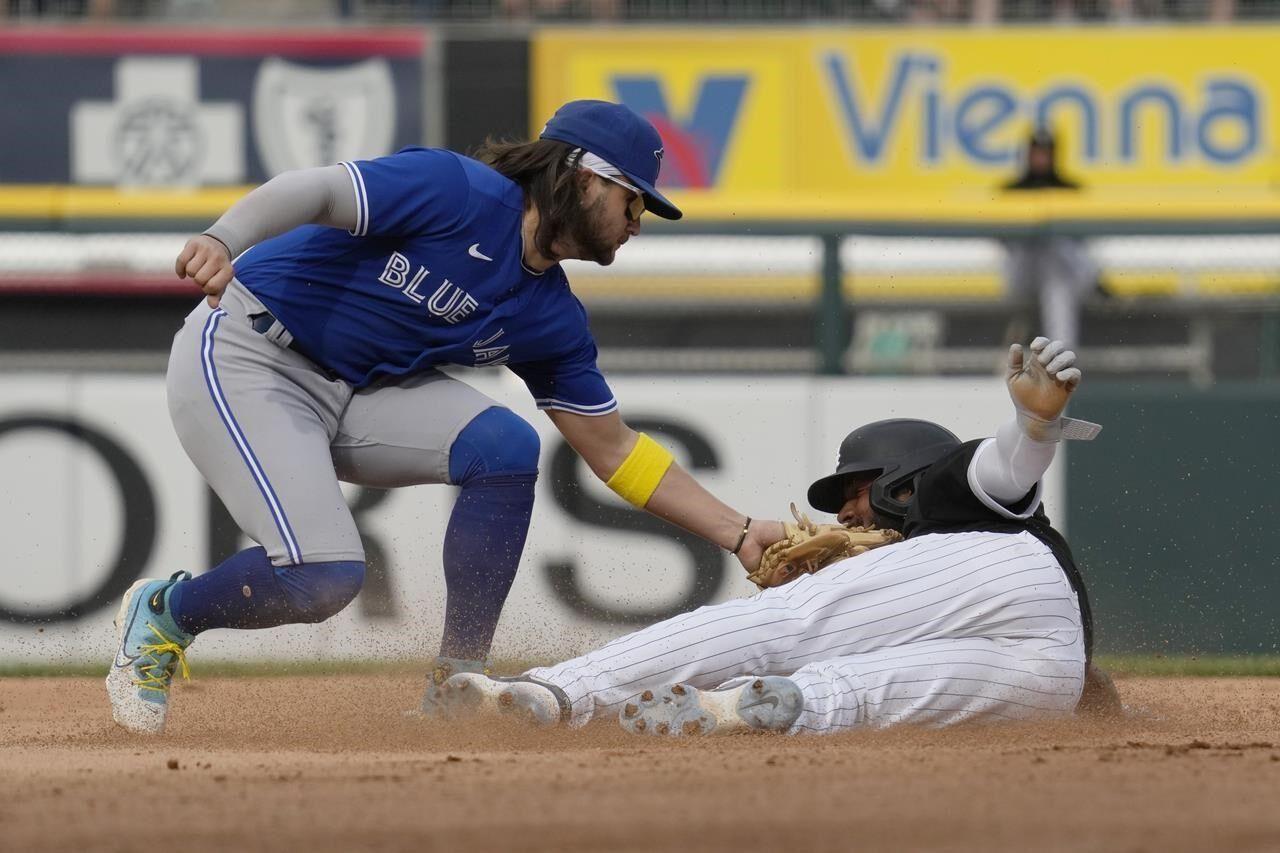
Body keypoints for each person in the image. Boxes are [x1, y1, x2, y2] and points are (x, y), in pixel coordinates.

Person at [105, 99, 786, 734]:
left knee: (506, 446)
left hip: (357, 391)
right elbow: (313, 190)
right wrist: (225, 238)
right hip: (250, 352)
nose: (639, 220)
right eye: (634, 199)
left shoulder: (550, 315)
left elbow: (614, 451)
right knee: (323, 577)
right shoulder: (457, 191)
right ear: (583, 177)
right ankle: (165, 613)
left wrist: (741, 531)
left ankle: (456, 680)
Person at [425, 336, 1117, 735]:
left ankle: (556, 691)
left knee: (788, 620)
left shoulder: (948, 491)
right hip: (1049, 677)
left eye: (855, 492)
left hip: (1010, 573)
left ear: (904, 482)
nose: (844, 516)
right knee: (860, 691)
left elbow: (1005, 469)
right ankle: (745, 706)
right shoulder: (927, 572)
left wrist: (1029, 430)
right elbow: (1089, 692)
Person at [1001, 128, 1100, 349]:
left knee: (1055, 273)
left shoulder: (1070, 188)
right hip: (1024, 273)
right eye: (1036, 152)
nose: (1040, 158)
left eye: (1045, 153)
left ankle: (1059, 357)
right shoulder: (1011, 190)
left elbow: (1083, 242)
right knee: (1047, 261)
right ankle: (1061, 356)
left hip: (1063, 275)